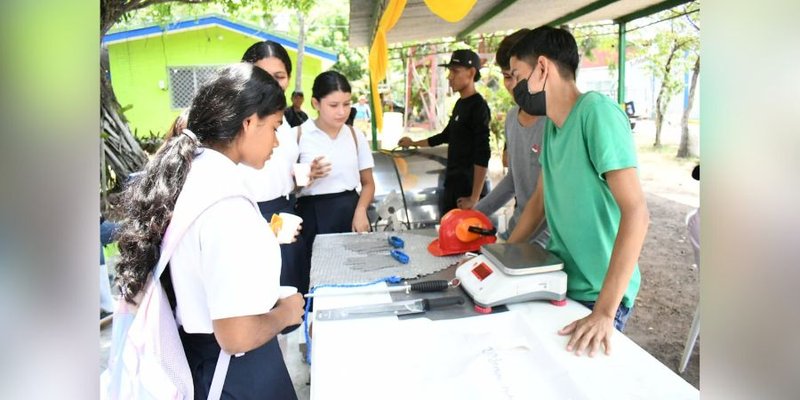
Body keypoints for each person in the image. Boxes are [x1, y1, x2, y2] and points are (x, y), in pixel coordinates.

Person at [114, 63, 304, 399]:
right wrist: (284, 313)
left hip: (202, 360)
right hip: (236, 372)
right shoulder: (226, 204)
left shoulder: (193, 176)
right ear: (249, 122)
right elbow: (236, 334)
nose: (277, 140)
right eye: (275, 127)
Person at [507, 26, 650, 357]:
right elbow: (539, 202)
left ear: (543, 68)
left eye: (517, 75)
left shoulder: (595, 112)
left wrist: (604, 313)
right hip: (564, 282)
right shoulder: (554, 128)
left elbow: (637, 213)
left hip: (599, 294)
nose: (513, 87)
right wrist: (503, 254)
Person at [239, 40, 331, 295]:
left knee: (292, 296)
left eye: (279, 76)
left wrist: (305, 177)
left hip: (287, 215)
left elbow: (285, 180)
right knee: (262, 300)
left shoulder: (287, 129)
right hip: (252, 222)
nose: (272, 84)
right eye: (263, 75)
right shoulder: (237, 124)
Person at [465, 29, 550, 247]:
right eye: (506, 76)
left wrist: (517, 247)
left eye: (516, 75)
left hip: (547, 244)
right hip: (516, 233)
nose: (511, 84)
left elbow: (552, 199)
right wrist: (473, 215)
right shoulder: (512, 118)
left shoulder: (556, 121)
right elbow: (514, 180)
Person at [398, 49, 491, 215]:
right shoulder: (460, 104)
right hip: (452, 184)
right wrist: (413, 143)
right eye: (449, 71)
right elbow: (445, 136)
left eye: (455, 71)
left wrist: (474, 197)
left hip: (468, 189)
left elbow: (483, 153)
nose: (449, 77)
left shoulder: (479, 107)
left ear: (471, 73)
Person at [295, 71, 376, 254]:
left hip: (351, 212)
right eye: (333, 105)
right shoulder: (298, 135)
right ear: (316, 103)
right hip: (312, 215)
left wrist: (361, 210)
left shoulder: (356, 135)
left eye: (347, 104)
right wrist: (308, 175)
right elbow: (290, 188)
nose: (342, 112)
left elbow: (368, 183)